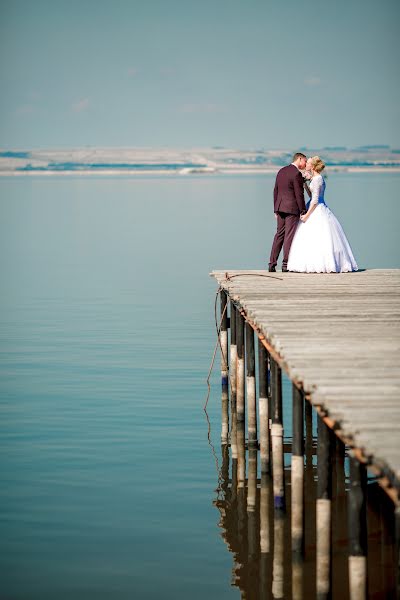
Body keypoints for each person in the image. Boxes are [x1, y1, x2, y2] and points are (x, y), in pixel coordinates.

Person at [287, 156, 358, 273]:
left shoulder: (318, 179)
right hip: (314, 205)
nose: (306, 165)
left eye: (308, 163)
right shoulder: (314, 179)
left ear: (313, 166)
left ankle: (324, 264)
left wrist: (307, 215)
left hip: (317, 208)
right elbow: (312, 196)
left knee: (320, 236)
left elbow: (315, 200)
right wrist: (305, 185)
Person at [268, 152, 307, 272]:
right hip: (291, 209)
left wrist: (275, 208)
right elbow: (299, 194)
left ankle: (271, 264)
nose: (305, 164)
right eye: (305, 161)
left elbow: (275, 190)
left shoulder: (281, 171)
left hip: (280, 208)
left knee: (279, 235)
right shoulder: (296, 173)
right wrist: (303, 210)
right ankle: (285, 265)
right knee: (288, 236)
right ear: (299, 159)